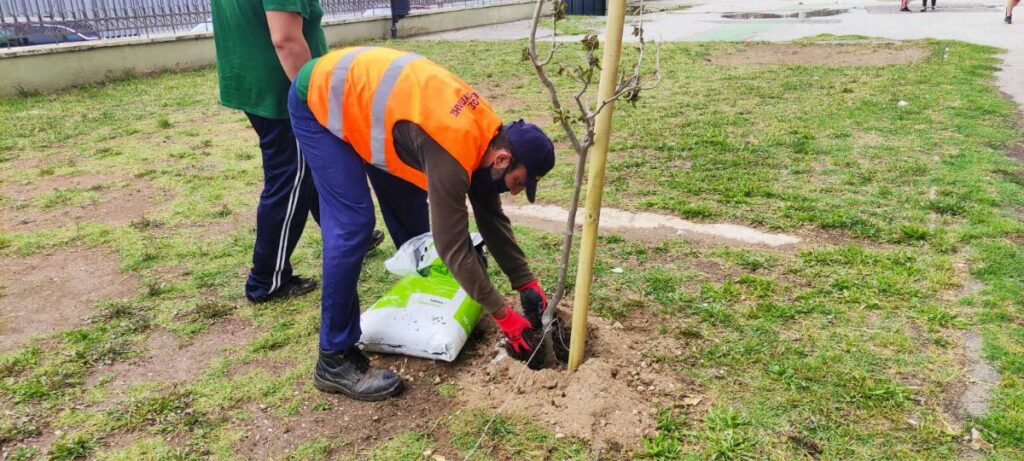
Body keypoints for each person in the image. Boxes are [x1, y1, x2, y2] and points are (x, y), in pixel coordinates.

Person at [288, 46, 555, 401]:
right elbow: (453, 245)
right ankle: (333, 357)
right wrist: (501, 313)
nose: (516, 192)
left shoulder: (488, 135)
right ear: (504, 159)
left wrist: (526, 283)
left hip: (372, 108)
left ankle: (419, 310)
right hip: (319, 100)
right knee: (353, 224)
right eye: (519, 182)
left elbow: (490, 213)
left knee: (414, 219)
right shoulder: (452, 149)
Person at [210, 0, 383, 303]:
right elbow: (285, 39)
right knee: (291, 177)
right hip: (280, 87)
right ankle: (267, 278)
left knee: (313, 164)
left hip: (252, 76)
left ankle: (349, 235)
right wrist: (311, 98)